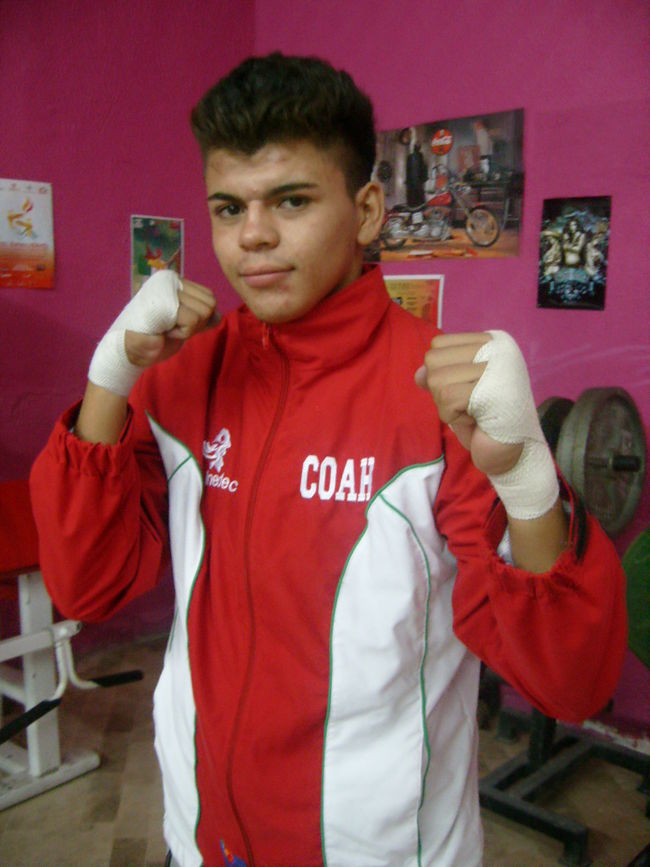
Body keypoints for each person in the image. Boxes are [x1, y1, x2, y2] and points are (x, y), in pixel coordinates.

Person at [29, 53, 627, 867]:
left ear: (368, 209)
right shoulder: (184, 375)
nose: (253, 235)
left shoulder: (441, 400)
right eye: (229, 207)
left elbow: (570, 682)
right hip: (200, 834)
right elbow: (84, 585)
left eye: (292, 200)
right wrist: (109, 378)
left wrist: (523, 474)